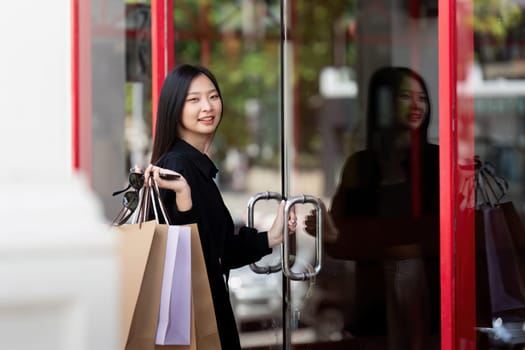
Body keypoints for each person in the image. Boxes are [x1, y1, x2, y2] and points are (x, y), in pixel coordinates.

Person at [142, 63, 296, 349]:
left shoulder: (195, 167)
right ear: (175, 108)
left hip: (205, 312)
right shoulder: (178, 167)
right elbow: (185, 257)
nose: (207, 107)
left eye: (213, 96)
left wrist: (271, 237)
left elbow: (218, 251)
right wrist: (185, 200)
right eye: (194, 99)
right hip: (192, 321)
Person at [305, 66, 440, 349]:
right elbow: (339, 242)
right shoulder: (360, 164)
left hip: (427, 289)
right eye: (405, 96)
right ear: (384, 102)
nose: (417, 105)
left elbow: (433, 234)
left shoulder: (437, 161)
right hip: (372, 293)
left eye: (423, 98)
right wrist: (329, 232)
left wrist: (352, 236)